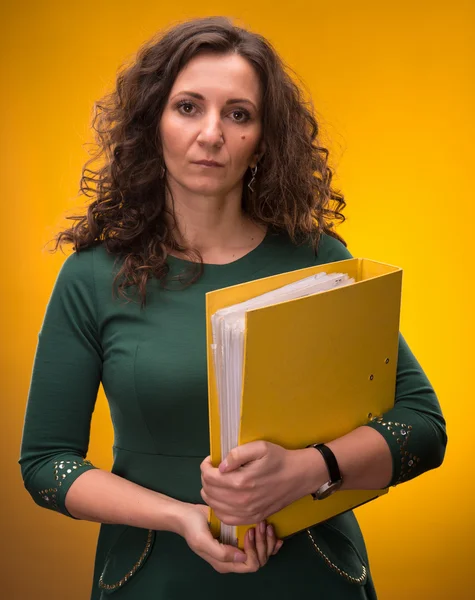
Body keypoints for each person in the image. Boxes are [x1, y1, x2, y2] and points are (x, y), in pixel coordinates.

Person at [19, 16, 447, 600]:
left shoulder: (319, 260)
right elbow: (46, 464)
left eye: (238, 114)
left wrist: (310, 469)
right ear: (154, 124)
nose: (212, 133)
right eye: (189, 107)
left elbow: (422, 427)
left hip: (313, 578)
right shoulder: (92, 276)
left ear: (264, 139)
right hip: (155, 577)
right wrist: (181, 517)